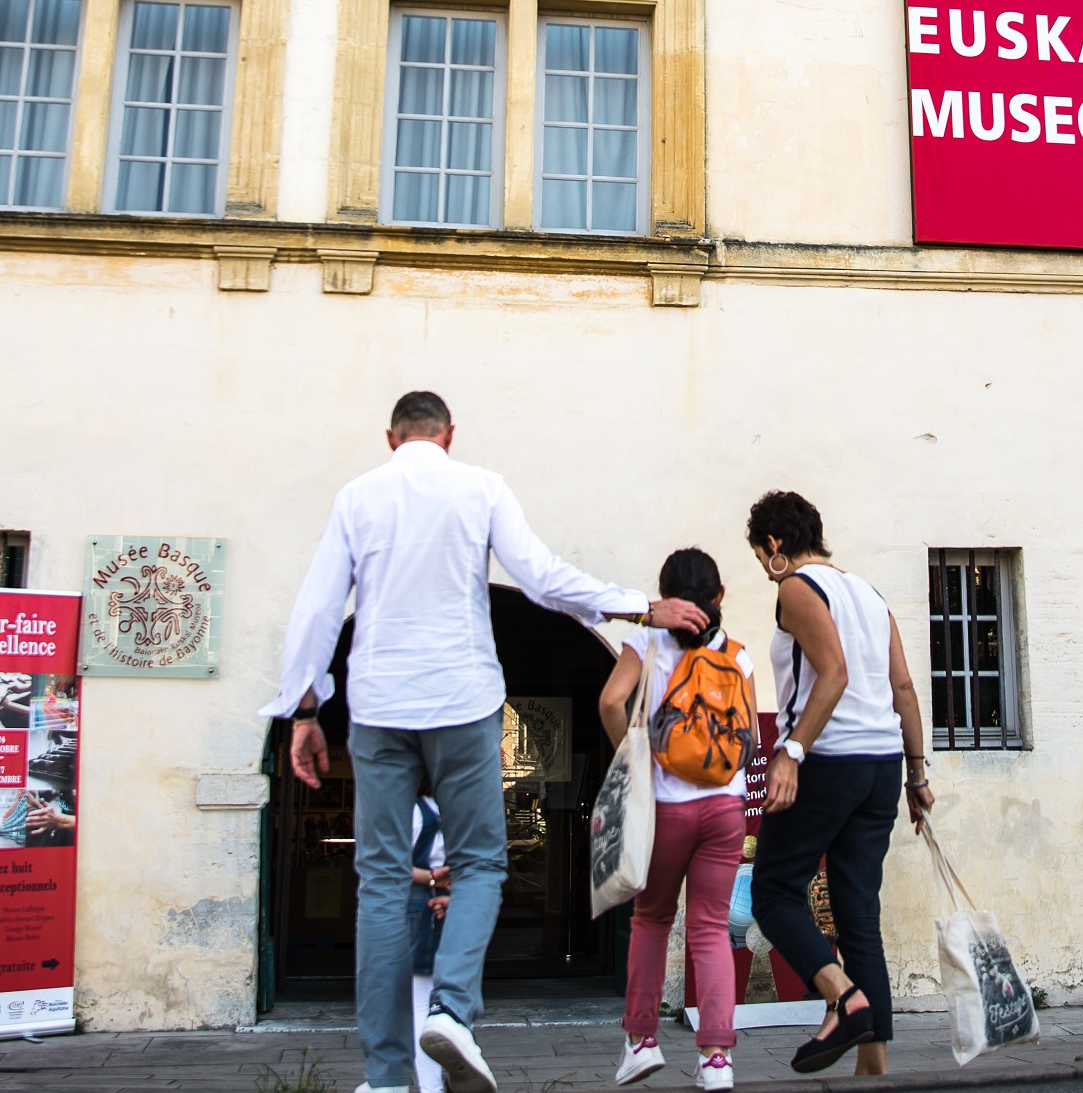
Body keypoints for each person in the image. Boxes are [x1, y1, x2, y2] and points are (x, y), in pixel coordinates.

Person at [261, 391, 709, 1093]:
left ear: (391, 437)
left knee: (379, 883)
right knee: (479, 866)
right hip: (462, 700)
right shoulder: (481, 488)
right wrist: (639, 606)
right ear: (448, 435)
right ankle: (453, 1013)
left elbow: (317, 606)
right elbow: (540, 579)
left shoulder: (357, 496)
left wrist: (305, 710)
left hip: (378, 704)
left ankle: (384, 1077)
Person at [744, 491, 933, 1078]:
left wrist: (791, 753)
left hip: (828, 761)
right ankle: (873, 1071)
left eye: (759, 554)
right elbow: (902, 687)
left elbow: (834, 672)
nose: (762, 565)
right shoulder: (871, 595)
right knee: (858, 915)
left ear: (773, 545)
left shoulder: (797, 588)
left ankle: (844, 999)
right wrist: (916, 774)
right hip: (879, 768)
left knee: (774, 892)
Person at [599, 549, 756, 1092]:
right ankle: (717, 1058)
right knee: (711, 928)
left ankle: (641, 1041)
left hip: (666, 806)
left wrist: (636, 762)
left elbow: (610, 702)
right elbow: (751, 738)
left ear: (665, 597)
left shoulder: (645, 640)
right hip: (725, 806)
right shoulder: (738, 654)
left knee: (651, 920)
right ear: (719, 598)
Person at [410, 794, 450, 1093]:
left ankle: (432, 1087)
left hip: (422, 906)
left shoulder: (413, 806)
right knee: (439, 999)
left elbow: (386, 863)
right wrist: (439, 880)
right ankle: (434, 1085)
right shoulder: (447, 805)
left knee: (422, 1003)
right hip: (433, 907)